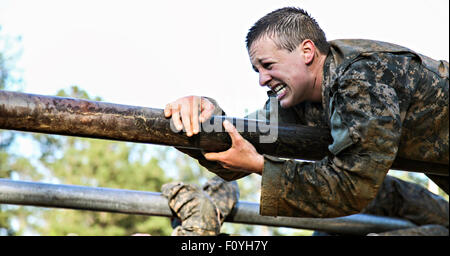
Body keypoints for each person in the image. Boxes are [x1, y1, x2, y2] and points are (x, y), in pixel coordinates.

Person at [163, 7, 448, 235]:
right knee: (383, 199)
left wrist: (259, 166)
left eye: (268, 66)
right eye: (256, 70)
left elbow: (351, 187)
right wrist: (200, 113)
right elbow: (240, 140)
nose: (262, 79)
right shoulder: (297, 99)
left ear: (307, 52)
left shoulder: (363, 79)